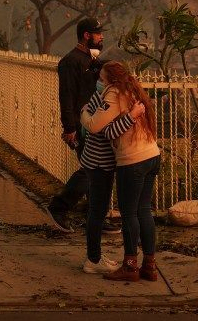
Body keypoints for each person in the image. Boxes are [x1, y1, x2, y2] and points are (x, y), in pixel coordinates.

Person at [82, 61, 160, 282]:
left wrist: (84, 116)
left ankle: (130, 265)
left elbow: (101, 129)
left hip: (132, 161)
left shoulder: (113, 94)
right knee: (144, 210)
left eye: (103, 79)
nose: (100, 82)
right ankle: (149, 265)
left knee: (129, 214)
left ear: (110, 80)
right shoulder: (135, 91)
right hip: (152, 155)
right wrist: (132, 115)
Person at [46, 17, 121, 235]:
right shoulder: (70, 62)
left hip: (99, 123)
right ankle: (58, 208)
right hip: (83, 126)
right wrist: (69, 129)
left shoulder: (94, 61)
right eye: (98, 34)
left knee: (103, 170)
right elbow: (66, 98)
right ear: (86, 35)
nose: (102, 37)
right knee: (90, 171)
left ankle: (95, 217)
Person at [78, 81, 146, 274]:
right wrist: (132, 116)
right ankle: (93, 259)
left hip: (96, 160)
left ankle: (94, 256)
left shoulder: (99, 97)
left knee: (97, 210)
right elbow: (107, 130)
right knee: (97, 211)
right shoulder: (107, 99)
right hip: (100, 163)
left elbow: (88, 121)